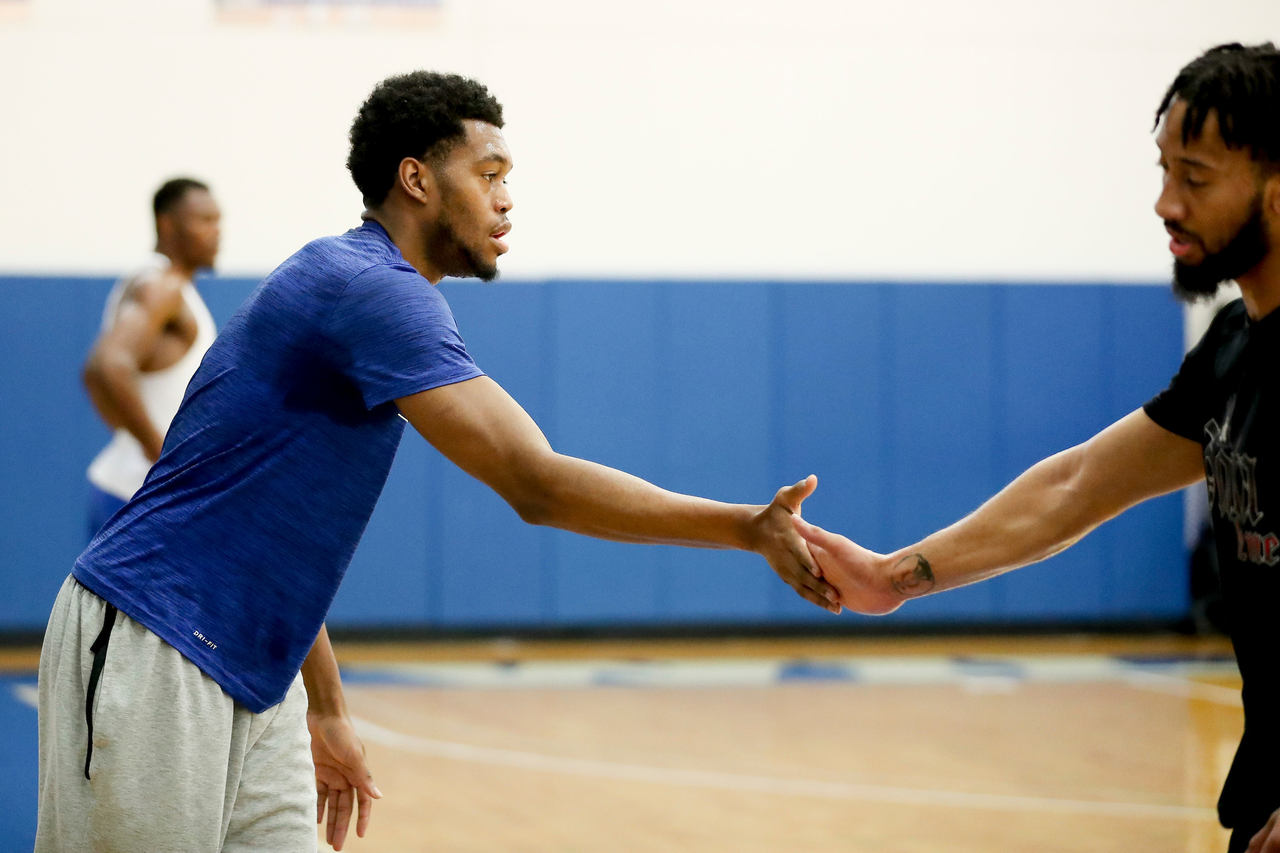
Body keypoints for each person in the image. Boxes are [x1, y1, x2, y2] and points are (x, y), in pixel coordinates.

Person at [36, 71, 839, 853]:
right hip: (156, 635)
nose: (506, 196)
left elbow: (271, 532)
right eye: (487, 173)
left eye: (508, 177)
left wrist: (327, 706)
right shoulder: (373, 288)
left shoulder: (352, 279)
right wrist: (746, 527)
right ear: (416, 179)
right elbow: (536, 483)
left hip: (253, 663)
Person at [790, 43, 1280, 853]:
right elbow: (1076, 486)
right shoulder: (1233, 346)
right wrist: (892, 578)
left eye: (1194, 178)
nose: (1164, 202)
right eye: (1162, 171)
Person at [82, 178, 221, 538]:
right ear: (167, 224)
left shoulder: (161, 283)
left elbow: (97, 375)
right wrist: (160, 456)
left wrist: (132, 437)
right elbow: (106, 367)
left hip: (132, 494)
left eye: (218, 219)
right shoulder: (163, 287)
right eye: (204, 220)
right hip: (140, 499)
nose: (217, 231)